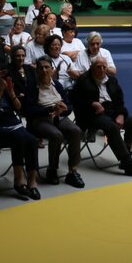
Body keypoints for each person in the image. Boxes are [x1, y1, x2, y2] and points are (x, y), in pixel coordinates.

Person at [70, 58, 132, 177]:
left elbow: (119, 100)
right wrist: (92, 104)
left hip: (111, 111)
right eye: (98, 66)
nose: (102, 69)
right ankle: (128, 164)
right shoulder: (83, 80)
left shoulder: (112, 80)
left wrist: (121, 114)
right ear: (91, 67)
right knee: (111, 126)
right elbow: (74, 100)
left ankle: (126, 157)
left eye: (104, 67)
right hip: (91, 114)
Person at [0, 67, 41, 200]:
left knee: (32, 140)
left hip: (13, 125)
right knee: (18, 137)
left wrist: (10, 92)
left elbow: (18, 107)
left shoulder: (3, 90)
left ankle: (32, 182)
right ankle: (19, 180)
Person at [29, 55, 85, 189]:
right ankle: (52, 169)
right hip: (41, 119)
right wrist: (50, 108)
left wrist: (64, 109)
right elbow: (29, 110)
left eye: (46, 67)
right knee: (56, 135)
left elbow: (69, 105)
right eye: (41, 68)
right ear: (37, 70)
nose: (44, 70)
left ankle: (73, 171)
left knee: (76, 131)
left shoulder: (57, 84)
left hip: (59, 117)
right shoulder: (32, 86)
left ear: (52, 69)